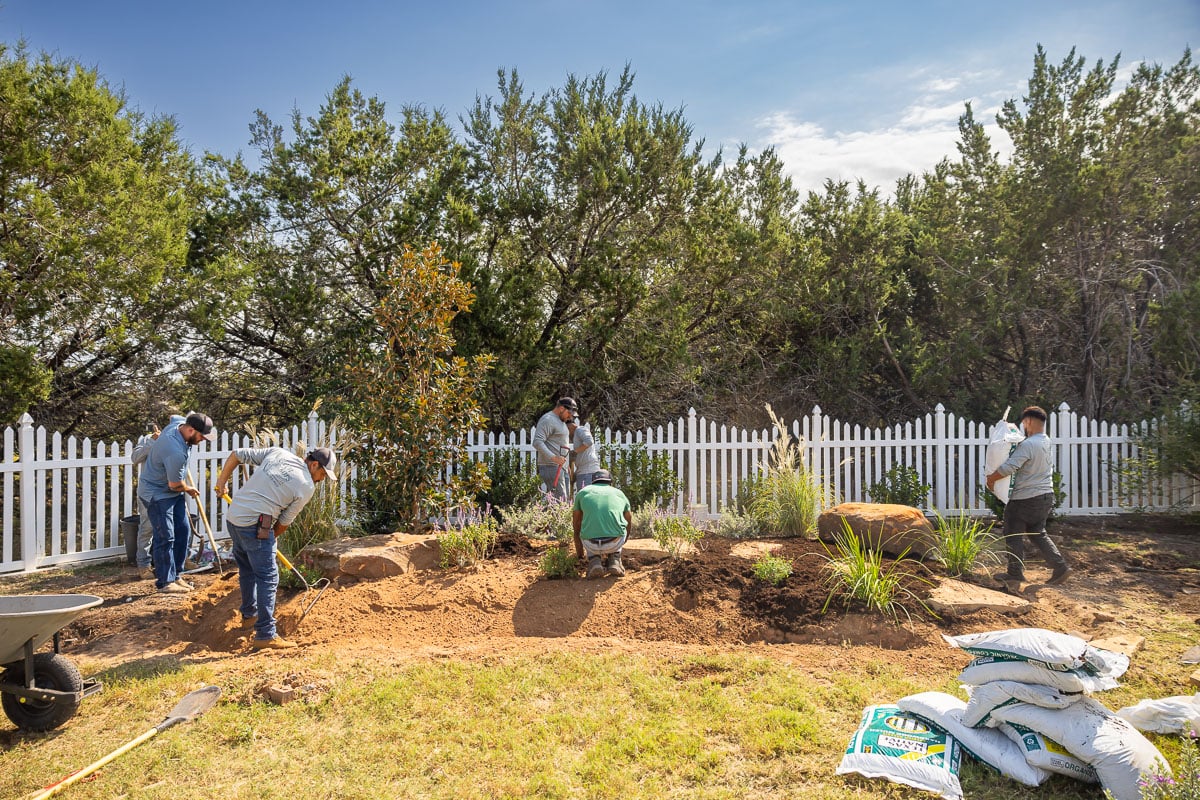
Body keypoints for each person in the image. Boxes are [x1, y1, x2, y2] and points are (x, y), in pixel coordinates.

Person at [213, 446, 338, 649]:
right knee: (268, 576)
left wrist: (221, 481)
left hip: (234, 518)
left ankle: (249, 616)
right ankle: (265, 634)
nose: (322, 479)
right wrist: (270, 539)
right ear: (314, 465)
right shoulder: (306, 486)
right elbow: (284, 523)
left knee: (247, 569)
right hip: (253, 525)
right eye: (323, 473)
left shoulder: (278, 453)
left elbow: (236, 454)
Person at [986, 406, 1070, 587]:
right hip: (1045, 495)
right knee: (1038, 532)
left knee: (1012, 531)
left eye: (1024, 422)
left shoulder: (1029, 444)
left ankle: (1015, 573)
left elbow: (1010, 466)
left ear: (1029, 421)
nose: (1024, 426)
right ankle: (1060, 567)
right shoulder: (1045, 441)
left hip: (1026, 498)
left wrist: (991, 479)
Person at [138, 412, 216, 593]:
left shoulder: (179, 423)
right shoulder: (175, 451)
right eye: (202, 436)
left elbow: (173, 415)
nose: (203, 440)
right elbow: (174, 485)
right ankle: (165, 582)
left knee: (183, 531)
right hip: (156, 494)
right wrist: (188, 488)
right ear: (190, 430)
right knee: (165, 536)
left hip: (170, 493)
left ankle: (176, 576)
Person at [130, 417, 178, 578]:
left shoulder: (176, 439)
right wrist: (153, 443)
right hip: (150, 491)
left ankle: (176, 561)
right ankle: (143, 564)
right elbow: (135, 458)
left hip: (171, 489)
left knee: (175, 526)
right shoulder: (147, 440)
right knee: (148, 527)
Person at [572, 468, 632, 579]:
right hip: (615, 543)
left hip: (591, 544)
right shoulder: (619, 493)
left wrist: (580, 554)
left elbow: (576, 524)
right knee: (621, 525)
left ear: (593, 482)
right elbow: (629, 519)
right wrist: (623, 540)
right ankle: (615, 559)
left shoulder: (582, 493)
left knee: (584, 528)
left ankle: (594, 561)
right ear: (610, 482)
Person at [532, 397, 577, 500]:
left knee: (561, 501)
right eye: (569, 413)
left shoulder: (560, 421)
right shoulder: (548, 420)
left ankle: (541, 515)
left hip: (561, 467)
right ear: (561, 408)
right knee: (560, 501)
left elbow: (560, 444)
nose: (570, 417)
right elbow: (537, 442)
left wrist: (567, 466)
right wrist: (554, 458)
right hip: (551, 466)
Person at [568, 418, 601, 491]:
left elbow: (589, 441)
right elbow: (582, 457)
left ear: (570, 426)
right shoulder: (577, 435)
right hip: (584, 472)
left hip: (588, 472)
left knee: (586, 499)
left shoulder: (580, 430)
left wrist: (575, 451)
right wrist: (575, 475)